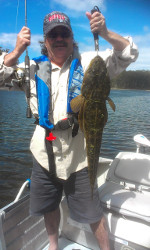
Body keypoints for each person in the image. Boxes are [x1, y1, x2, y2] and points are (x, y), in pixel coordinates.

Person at [0, 10, 138, 250]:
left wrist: (104, 33)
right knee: (49, 206)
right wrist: (16, 52)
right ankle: (53, 245)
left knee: (92, 212)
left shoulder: (90, 62)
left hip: (80, 157)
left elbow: (128, 53)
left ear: (72, 36)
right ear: (45, 40)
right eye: (53, 35)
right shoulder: (31, 68)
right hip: (44, 155)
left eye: (64, 33)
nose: (60, 39)